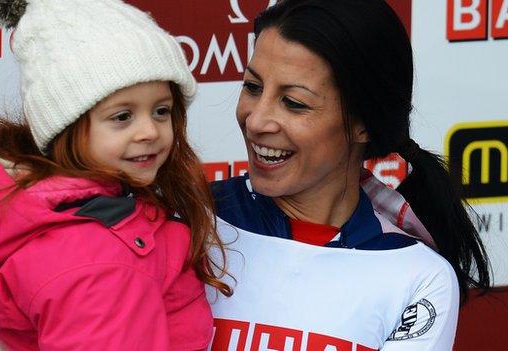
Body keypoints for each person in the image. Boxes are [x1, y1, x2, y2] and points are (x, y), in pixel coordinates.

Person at [0, 0, 230, 349]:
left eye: (160, 111)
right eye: (122, 116)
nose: (149, 131)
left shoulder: (93, 216)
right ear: (67, 125)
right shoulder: (100, 259)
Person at [208, 0, 491, 350]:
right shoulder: (187, 220)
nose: (256, 120)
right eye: (252, 87)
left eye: (294, 102)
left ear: (363, 125)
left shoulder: (418, 278)